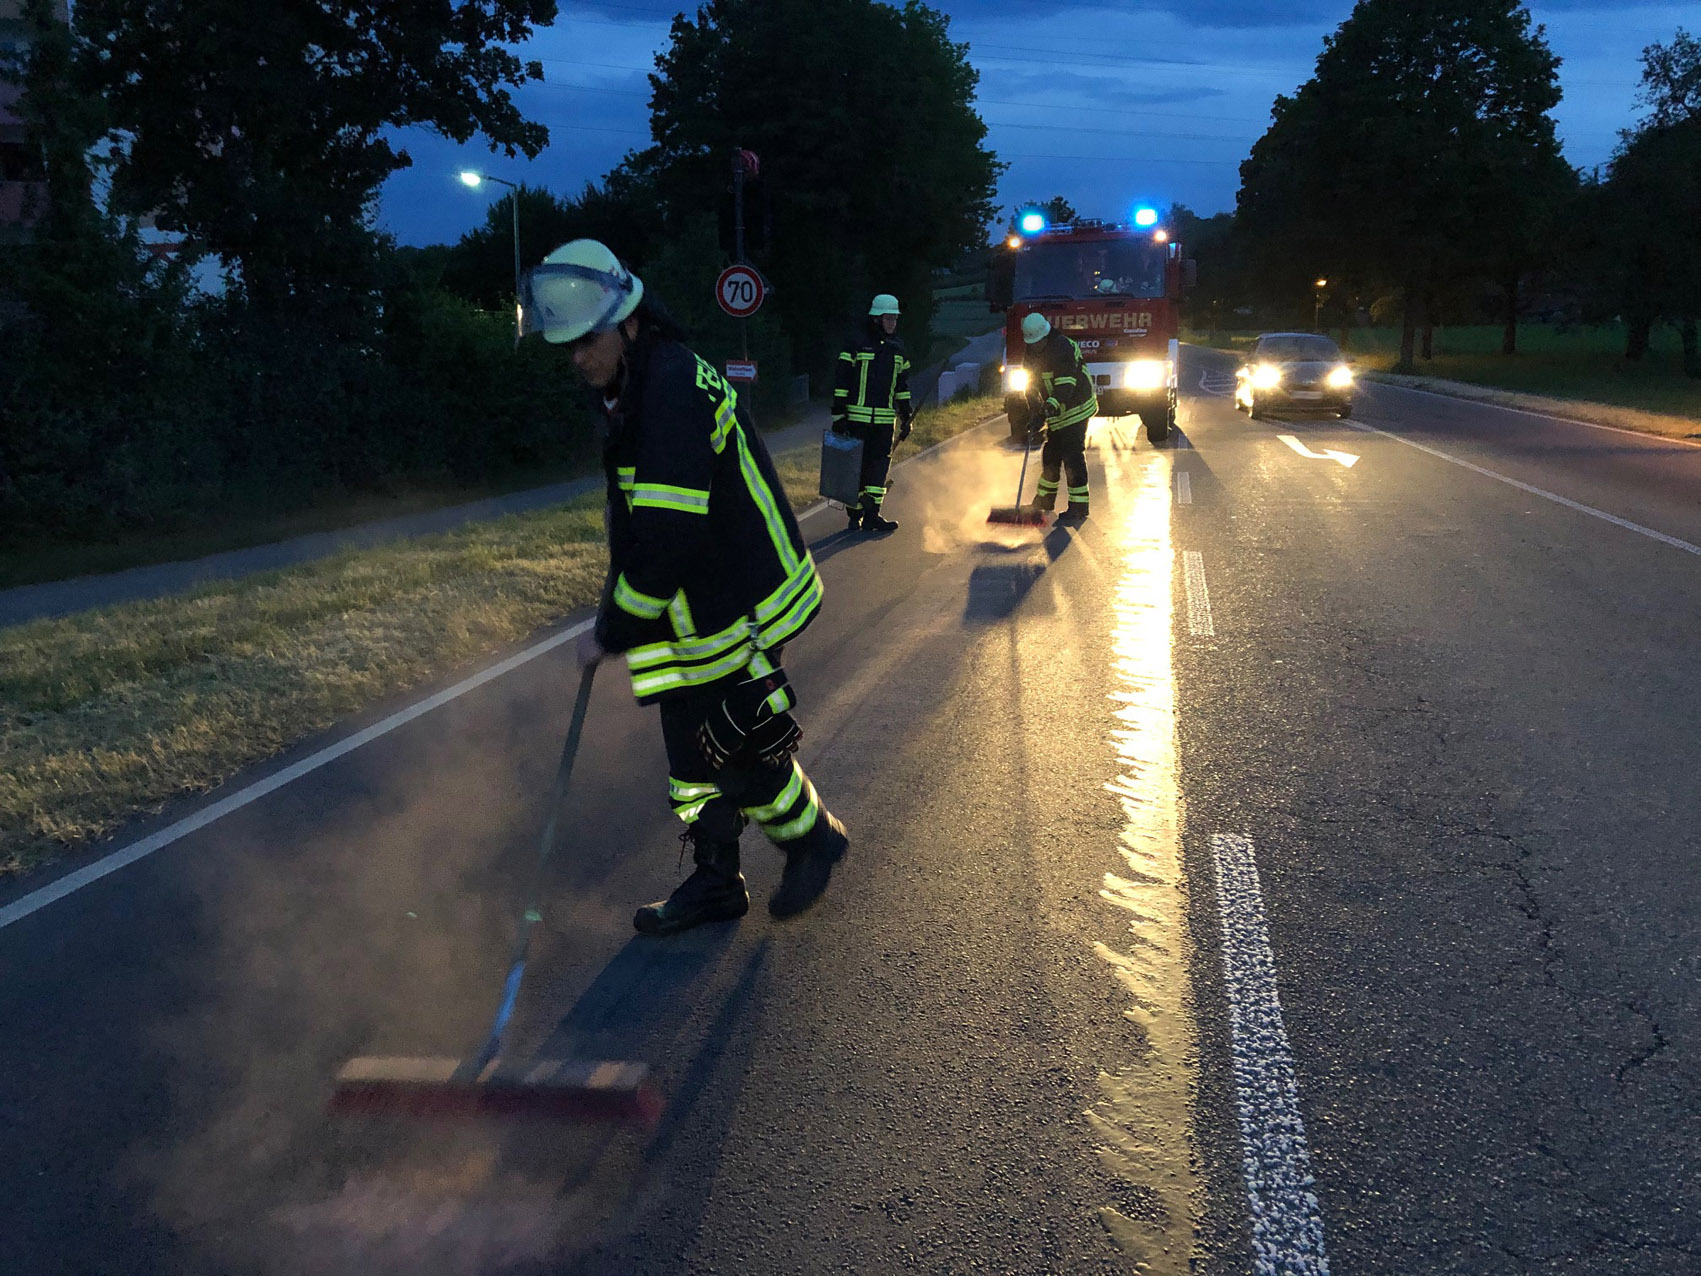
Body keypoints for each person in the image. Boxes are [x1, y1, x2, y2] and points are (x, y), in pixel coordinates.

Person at [522, 239, 849, 934]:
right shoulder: (632, 384)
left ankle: (811, 839)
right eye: (568, 347)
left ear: (630, 321)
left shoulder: (670, 385)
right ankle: (715, 880)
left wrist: (611, 630)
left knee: (734, 741)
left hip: (740, 597)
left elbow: (669, 534)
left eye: (588, 340)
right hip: (686, 607)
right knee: (686, 753)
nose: (577, 357)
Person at [831, 293, 914, 533]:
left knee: (879, 468)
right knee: (856, 468)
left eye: (895, 319)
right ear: (876, 319)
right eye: (888, 319)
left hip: (884, 422)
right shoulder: (856, 345)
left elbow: (901, 387)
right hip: (856, 420)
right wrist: (839, 417)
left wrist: (906, 415)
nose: (893, 323)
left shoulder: (898, 350)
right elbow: (841, 382)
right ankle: (854, 514)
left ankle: (872, 515)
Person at [1020, 312, 1098, 524]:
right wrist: (1035, 413)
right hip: (1055, 412)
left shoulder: (1062, 347)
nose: (1034, 346)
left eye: (1037, 342)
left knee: (1071, 455)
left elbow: (1065, 386)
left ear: (1045, 336)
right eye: (1031, 343)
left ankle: (1079, 508)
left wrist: (1049, 409)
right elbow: (1030, 386)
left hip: (1076, 407)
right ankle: (1044, 502)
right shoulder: (1031, 352)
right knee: (1051, 455)